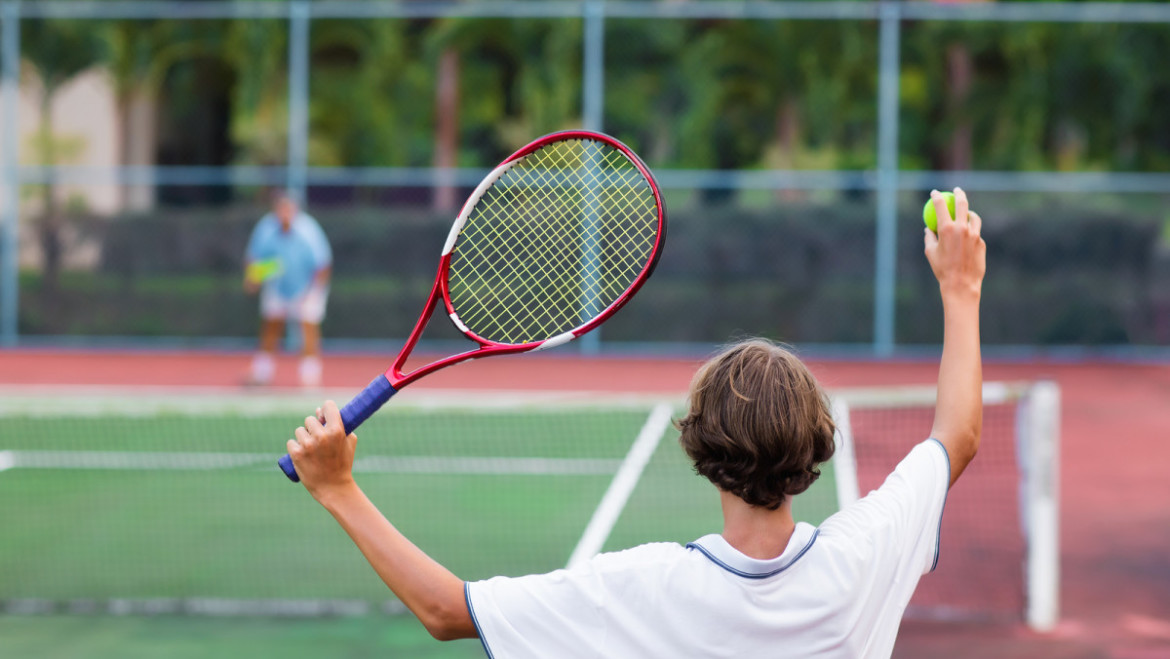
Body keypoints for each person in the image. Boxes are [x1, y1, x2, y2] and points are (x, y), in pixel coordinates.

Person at [283, 187, 986, 658]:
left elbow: (446, 611)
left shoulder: (644, 584)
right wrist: (960, 287)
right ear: (817, 444)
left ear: (698, 444)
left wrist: (338, 487)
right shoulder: (862, 557)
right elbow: (956, 434)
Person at [244, 191, 332, 388]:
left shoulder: (309, 230)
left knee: (308, 325)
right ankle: (262, 373)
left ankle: (310, 378)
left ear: (295, 211)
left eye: (288, 210)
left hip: (308, 286)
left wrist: (312, 294)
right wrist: (253, 277)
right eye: (280, 209)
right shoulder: (266, 228)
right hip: (278, 285)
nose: (284, 214)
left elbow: (323, 265)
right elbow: (255, 258)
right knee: (271, 325)